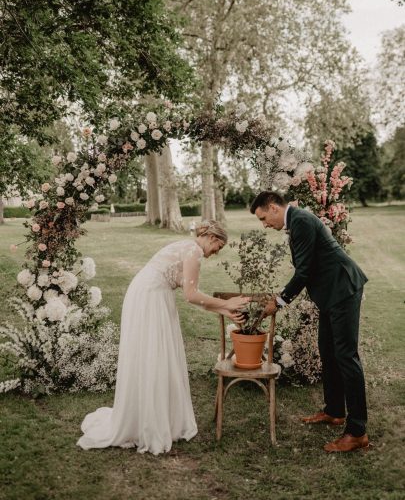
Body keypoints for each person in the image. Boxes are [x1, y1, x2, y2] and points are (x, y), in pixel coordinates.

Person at [77, 220, 249, 455]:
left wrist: (225, 310)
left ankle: (150, 416)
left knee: (151, 355)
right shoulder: (194, 251)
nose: (213, 254)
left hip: (147, 294)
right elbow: (191, 295)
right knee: (153, 356)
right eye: (217, 249)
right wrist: (227, 302)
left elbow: (193, 297)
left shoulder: (186, 247)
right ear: (212, 238)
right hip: (150, 298)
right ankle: (148, 421)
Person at [250, 191, 369, 453]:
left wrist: (280, 301)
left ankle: (357, 431)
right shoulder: (296, 221)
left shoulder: (301, 220)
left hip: (342, 289)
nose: (264, 225)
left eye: (263, 218)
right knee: (328, 352)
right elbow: (309, 266)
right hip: (330, 294)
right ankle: (335, 411)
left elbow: (303, 271)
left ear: (273, 208)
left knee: (346, 357)